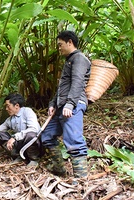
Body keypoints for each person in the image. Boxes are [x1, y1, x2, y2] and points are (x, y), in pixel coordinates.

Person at [41, 30, 91, 179]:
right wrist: (52, 104)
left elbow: (77, 82)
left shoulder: (79, 59)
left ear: (70, 42)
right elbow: (63, 87)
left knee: (74, 140)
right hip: (62, 105)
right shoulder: (70, 60)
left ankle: (81, 179)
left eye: (60, 45)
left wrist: (70, 104)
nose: (59, 48)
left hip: (72, 105)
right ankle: (58, 168)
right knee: (47, 135)